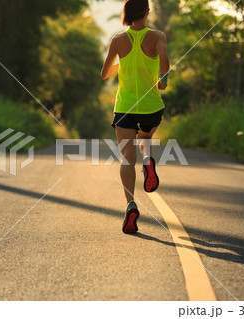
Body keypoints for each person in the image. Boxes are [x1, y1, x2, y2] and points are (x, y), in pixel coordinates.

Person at [100, 0, 169, 233]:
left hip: (125, 107)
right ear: (147, 12)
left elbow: (104, 74)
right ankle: (148, 160)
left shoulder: (118, 40)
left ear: (127, 14)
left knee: (127, 158)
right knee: (145, 138)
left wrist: (122, 63)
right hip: (151, 106)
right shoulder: (157, 36)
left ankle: (130, 205)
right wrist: (163, 82)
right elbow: (165, 63)